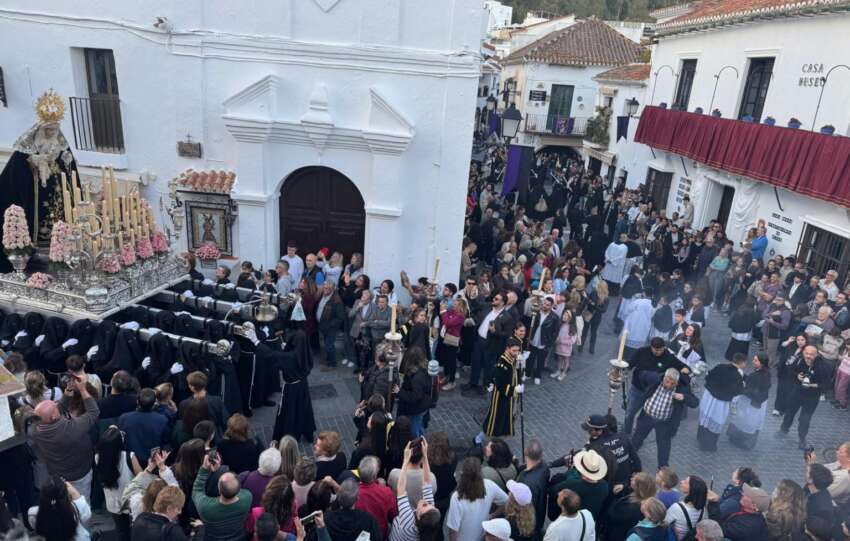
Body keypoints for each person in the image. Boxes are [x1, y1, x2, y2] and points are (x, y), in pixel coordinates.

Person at [29, 374, 99, 501]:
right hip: (80, 474)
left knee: (64, 502)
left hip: (58, 474)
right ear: (54, 417)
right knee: (82, 503)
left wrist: (68, 392)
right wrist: (83, 390)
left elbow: (56, 412)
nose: (58, 405)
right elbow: (94, 412)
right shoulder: (72, 427)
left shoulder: (36, 430)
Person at [250, 329, 316, 443]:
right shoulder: (306, 352)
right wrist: (286, 350)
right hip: (302, 386)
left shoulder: (290, 358)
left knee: (290, 413)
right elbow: (292, 356)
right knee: (304, 410)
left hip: (291, 389)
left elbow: (271, 355)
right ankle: (308, 434)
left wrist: (256, 341)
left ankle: (290, 436)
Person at [631, 368, 699, 468]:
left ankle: (663, 469)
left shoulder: (682, 388)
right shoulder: (656, 379)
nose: (669, 385)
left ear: (676, 383)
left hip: (664, 423)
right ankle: (630, 456)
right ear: (664, 378)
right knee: (637, 438)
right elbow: (642, 375)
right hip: (646, 417)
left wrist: (684, 397)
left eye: (672, 384)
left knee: (663, 447)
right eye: (667, 382)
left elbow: (695, 402)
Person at [624, 338, 689, 435]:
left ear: (664, 348)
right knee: (630, 412)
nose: (658, 352)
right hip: (637, 389)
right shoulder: (641, 351)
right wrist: (623, 366)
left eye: (660, 350)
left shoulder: (668, 357)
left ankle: (637, 435)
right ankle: (626, 432)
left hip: (652, 393)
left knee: (643, 417)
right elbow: (630, 364)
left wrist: (685, 369)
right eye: (655, 349)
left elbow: (682, 366)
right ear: (651, 346)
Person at [779, 344, 832, 449]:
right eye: (806, 353)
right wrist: (796, 376)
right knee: (789, 413)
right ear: (803, 353)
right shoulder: (798, 361)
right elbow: (790, 372)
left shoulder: (823, 366)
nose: (808, 356)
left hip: (811, 397)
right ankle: (783, 430)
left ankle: (802, 438)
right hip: (797, 393)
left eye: (811, 354)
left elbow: (826, 384)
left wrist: (812, 385)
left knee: (805, 419)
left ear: (816, 355)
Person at [446, 457, 509, 541]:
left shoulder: (457, 497)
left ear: (463, 474)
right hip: (481, 537)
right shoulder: (489, 485)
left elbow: (453, 530)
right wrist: (493, 515)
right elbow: (508, 501)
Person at [192, 452, 253, 540]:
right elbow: (232, 487)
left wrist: (204, 469)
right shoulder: (247, 497)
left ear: (219, 490)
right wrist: (219, 469)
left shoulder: (206, 508)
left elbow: (197, 490)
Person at [389, 440, 440, 541]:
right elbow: (426, 481)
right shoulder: (428, 516)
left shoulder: (407, 521)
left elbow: (401, 489)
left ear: (419, 515)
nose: (426, 502)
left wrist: (405, 460)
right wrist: (425, 457)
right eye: (431, 505)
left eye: (425, 505)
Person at [697, 353, 746, 452]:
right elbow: (738, 391)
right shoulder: (737, 376)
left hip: (709, 398)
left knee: (705, 418)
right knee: (715, 421)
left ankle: (700, 438)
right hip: (721, 403)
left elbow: (708, 375)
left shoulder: (720, 366)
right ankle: (709, 446)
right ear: (742, 363)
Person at [95, 425, 137, 539]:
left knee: (122, 531)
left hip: (113, 503)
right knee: (136, 530)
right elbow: (142, 477)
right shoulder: (129, 456)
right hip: (131, 502)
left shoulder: (98, 457)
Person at [547, 449, 609, 523]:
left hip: (569, 520)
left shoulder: (571, 485)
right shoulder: (604, 486)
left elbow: (552, 490)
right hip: (588, 521)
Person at [727, 352, 772, 449]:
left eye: (756, 360)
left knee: (746, 420)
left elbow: (753, 388)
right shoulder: (765, 373)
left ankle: (741, 441)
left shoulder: (759, 375)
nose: (753, 362)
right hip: (755, 402)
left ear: (762, 363)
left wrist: (742, 388)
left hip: (751, 402)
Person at [118, 388, 171, 466]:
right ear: (154, 403)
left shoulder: (124, 418)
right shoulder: (162, 420)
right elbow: (166, 444)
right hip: (151, 464)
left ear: (137, 402)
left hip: (129, 463)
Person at [27, 477, 91, 541]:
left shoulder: (32, 513)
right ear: (66, 495)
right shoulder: (76, 509)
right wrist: (74, 492)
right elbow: (87, 514)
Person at [483, 337, 521, 437]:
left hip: (508, 396)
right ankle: (482, 437)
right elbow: (500, 385)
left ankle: (500, 436)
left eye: (517, 350)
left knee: (505, 417)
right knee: (495, 417)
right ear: (507, 349)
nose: (516, 353)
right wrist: (514, 390)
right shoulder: (502, 363)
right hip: (500, 397)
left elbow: (515, 374)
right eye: (514, 350)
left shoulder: (513, 359)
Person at [604, 472, 658, 541]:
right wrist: (624, 487)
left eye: (634, 480)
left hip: (616, 534)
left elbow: (612, 515)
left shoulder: (631, 507)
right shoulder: (646, 499)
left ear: (638, 487)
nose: (631, 479)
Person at [355, 456, 397, 539]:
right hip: (379, 532)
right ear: (374, 476)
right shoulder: (386, 492)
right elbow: (393, 515)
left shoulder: (352, 492)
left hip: (359, 533)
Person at [516, 439, 550, 539]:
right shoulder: (544, 467)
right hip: (540, 511)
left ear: (525, 452)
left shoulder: (526, 481)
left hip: (529, 519)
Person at [527, 296, 559, 385]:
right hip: (533, 339)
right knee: (531, 358)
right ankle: (528, 373)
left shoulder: (554, 317)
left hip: (544, 342)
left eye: (547, 305)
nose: (545, 306)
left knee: (541, 361)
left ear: (551, 306)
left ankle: (537, 376)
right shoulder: (536, 313)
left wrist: (549, 344)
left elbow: (555, 332)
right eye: (544, 303)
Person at [665, 475, 708, 540]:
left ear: (692, 490)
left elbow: (664, 522)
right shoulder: (703, 510)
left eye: (685, 482)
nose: (681, 482)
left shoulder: (677, 508)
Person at [317, 279, 345, 371]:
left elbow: (340, 317)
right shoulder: (323, 295)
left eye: (328, 288)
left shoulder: (337, 300)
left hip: (330, 328)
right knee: (327, 344)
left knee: (329, 346)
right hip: (323, 326)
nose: (325, 289)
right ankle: (328, 360)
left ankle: (333, 364)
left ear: (332, 288)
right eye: (324, 287)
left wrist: (329, 325)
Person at [553, 309, 578, 380]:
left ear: (570, 318)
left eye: (566, 315)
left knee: (566, 360)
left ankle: (564, 373)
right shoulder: (561, 324)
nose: (564, 316)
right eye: (564, 314)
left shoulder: (572, 328)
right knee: (559, 359)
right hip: (559, 346)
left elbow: (572, 341)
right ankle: (558, 370)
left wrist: (561, 341)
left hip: (566, 348)